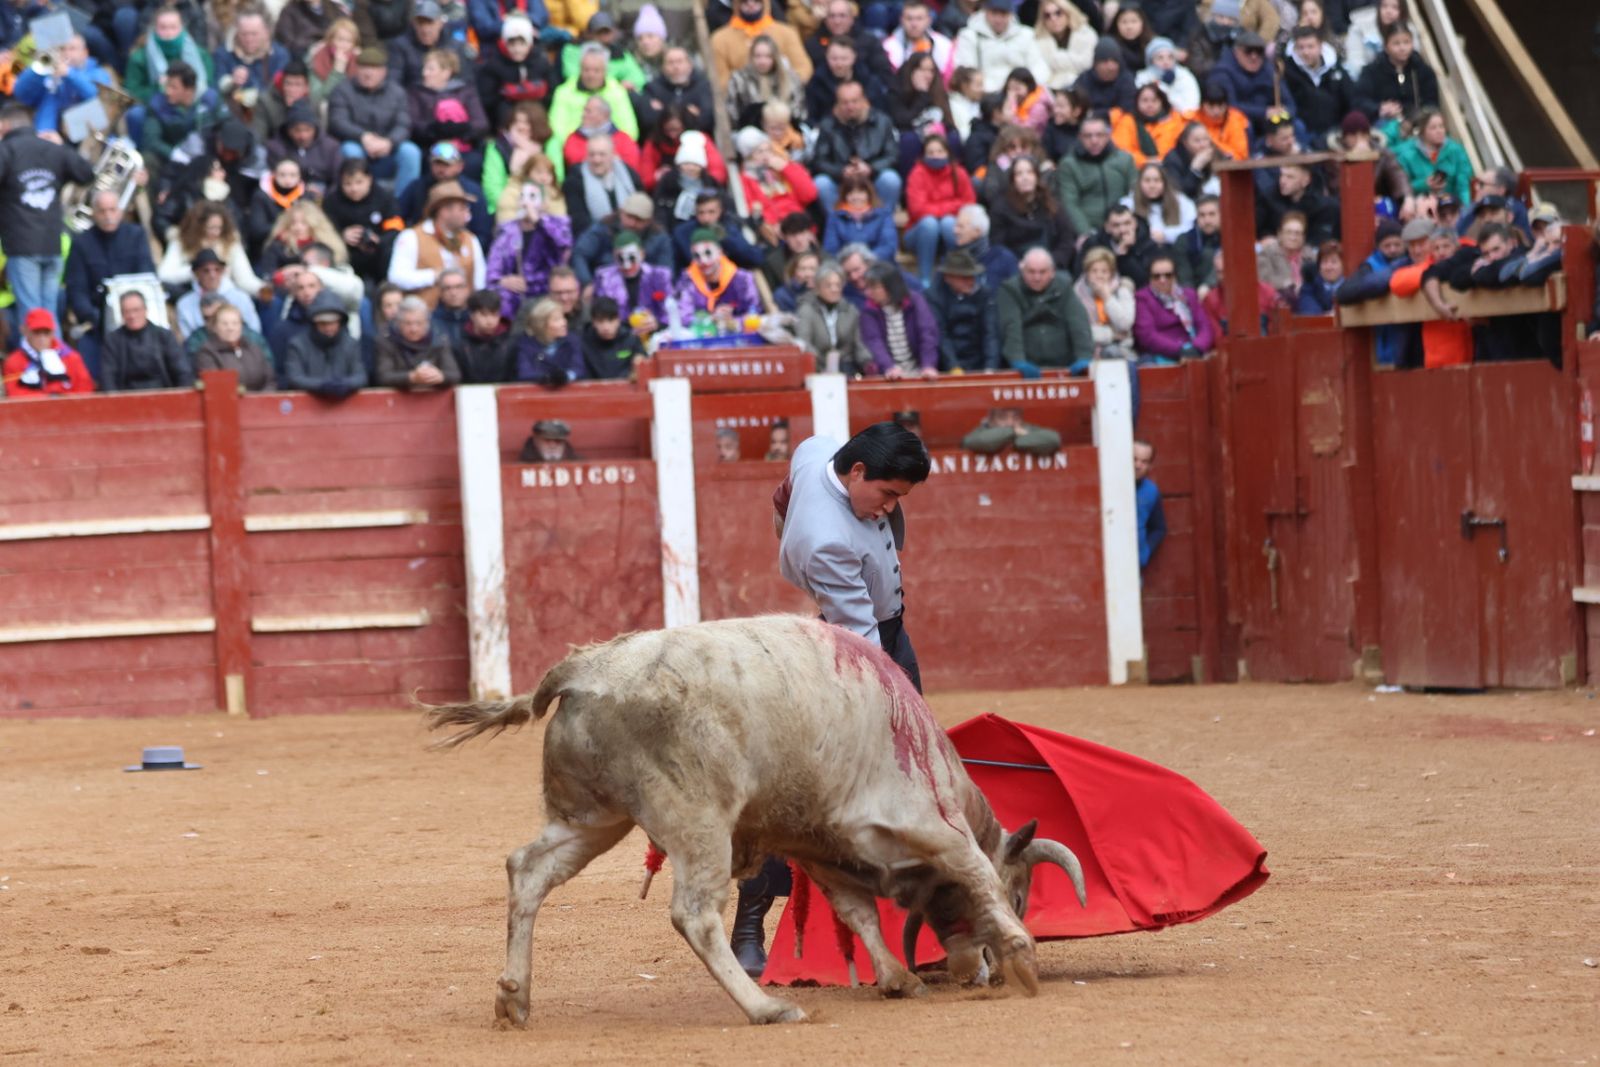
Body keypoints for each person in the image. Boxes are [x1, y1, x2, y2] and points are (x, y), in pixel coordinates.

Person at [748, 421, 932, 976]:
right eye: (887, 494)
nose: (890, 508)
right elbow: (862, 641)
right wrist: (890, 712)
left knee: (907, 771)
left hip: (881, 631)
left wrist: (782, 509)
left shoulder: (820, 454)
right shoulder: (826, 539)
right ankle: (749, 922)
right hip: (851, 652)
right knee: (813, 786)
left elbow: (803, 459)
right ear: (856, 472)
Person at [0, 104, 92, 317]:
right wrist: (63, 147)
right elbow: (87, 174)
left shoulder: (6, 150)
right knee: (48, 318)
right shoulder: (53, 149)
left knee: (32, 318)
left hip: (22, 247)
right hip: (52, 244)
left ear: (4, 125)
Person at [63, 190, 158, 382]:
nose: (108, 216)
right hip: (97, 322)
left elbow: (147, 277)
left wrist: (132, 313)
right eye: (102, 211)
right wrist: (94, 317)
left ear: (120, 211)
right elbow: (76, 289)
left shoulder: (136, 235)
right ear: (94, 213)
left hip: (136, 317)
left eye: (112, 210)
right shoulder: (81, 243)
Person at [328, 47, 422, 197]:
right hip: (357, 143)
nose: (368, 73)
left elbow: (404, 124)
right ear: (357, 69)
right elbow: (338, 122)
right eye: (364, 68)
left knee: (411, 152)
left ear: (384, 71)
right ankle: (357, 197)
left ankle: (403, 202)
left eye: (374, 69)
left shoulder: (397, 92)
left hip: (388, 146)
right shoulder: (342, 90)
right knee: (350, 150)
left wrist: (390, 141)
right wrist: (363, 137)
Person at [389, 180, 489, 308]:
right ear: (444, 211)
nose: (468, 214)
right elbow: (396, 278)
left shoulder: (471, 239)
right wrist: (435, 275)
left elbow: (480, 284)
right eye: (462, 208)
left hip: (464, 315)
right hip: (424, 316)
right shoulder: (411, 237)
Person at [485, 182, 574, 320]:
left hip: (546, 291)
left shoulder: (557, 225)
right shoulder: (506, 232)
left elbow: (563, 243)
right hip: (515, 295)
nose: (526, 203)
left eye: (532, 197)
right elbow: (493, 270)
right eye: (522, 196)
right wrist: (502, 281)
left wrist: (539, 221)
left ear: (544, 203)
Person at [811, 81, 902, 214]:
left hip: (872, 177)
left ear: (864, 101)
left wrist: (870, 168)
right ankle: (837, 221)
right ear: (837, 104)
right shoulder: (827, 125)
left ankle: (882, 220)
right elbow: (819, 160)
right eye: (845, 102)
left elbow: (892, 155)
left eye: (854, 101)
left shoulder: (882, 121)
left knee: (891, 179)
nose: (850, 107)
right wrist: (841, 171)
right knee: (821, 183)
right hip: (841, 181)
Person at [997, 248, 1094, 373]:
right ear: (1022, 271)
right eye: (1031, 272)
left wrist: (1084, 357)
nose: (1037, 277)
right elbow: (1011, 327)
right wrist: (1018, 361)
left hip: (1065, 367)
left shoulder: (1064, 287)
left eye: (1042, 272)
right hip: (1025, 368)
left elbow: (1078, 324)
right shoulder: (1010, 290)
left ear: (1052, 272)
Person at [12, 34, 113, 141]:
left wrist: (69, 74)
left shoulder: (98, 73)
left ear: (85, 53)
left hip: (84, 139)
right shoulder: (48, 75)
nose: (66, 53)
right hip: (47, 137)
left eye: (72, 49)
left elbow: (97, 97)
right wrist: (37, 72)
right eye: (62, 49)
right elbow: (21, 94)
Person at [1056, 115, 1136, 236]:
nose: (1094, 141)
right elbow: (1070, 204)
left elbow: (1134, 194)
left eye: (1099, 135)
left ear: (1108, 136)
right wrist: (1086, 233)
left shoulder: (1125, 159)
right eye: (1088, 136)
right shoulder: (1069, 165)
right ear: (1080, 137)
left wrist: (1127, 226)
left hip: (1123, 226)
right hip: (1089, 229)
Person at [923, 248, 999, 371]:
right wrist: (953, 366)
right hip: (946, 365)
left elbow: (990, 333)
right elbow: (941, 334)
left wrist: (990, 367)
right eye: (964, 278)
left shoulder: (984, 294)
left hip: (979, 362)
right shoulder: (933, 297)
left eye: (972, 276)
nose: (970, 282)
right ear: (948, 278)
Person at [859, 263, 939, 379]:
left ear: (891, 286)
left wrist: (928, 364)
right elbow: (874, 341)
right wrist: (889, 367)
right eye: (867, 287)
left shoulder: (915, 301)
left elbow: (927, 333)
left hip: (921, 370)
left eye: (874, 288)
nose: (868, 292)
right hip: (889, 374)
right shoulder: (868, 311)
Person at [100, 291, 191, 392]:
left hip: (163, 393)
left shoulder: (164, 336)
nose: (132, 316)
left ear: (145, 310)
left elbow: (182, 371)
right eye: (127, 311)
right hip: (126, 395)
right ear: (122, 314)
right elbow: (108, 376)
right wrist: (113, 398)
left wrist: (181, 397)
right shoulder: (113, 340)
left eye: (136, 310)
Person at [281, 291, 368, 397]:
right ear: (314, 323)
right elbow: (294, 377)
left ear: (340, 322)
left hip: (346, 403)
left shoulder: (351, 344)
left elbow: (360, 376)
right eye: (322, 323)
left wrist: (345, 384)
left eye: (333, 322)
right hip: (307, 405)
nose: (328, 327)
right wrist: (321, 386)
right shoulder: (297, 345)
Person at [1133, 250, 1216, 360]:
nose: (1162, 280)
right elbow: (1147, 336)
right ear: (1149, 278)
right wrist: (1180, 350)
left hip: (1195, 352)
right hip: (1161, 355)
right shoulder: (1143, 298)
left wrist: (1197, 348)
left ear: (1175, 275)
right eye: (1156, 276)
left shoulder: (1189, 295)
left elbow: (1204, 326)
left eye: (1168, 275)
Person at [1353, 20, 1437, 124]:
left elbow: (1431, 103)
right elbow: (1359, 101)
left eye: (1406, 42)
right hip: (1383, 123)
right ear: (1386, 46)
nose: (1402, 48)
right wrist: (1380, 108)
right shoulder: (1371, 71)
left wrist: (1416, 118)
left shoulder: (1422, 70)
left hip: (1417, 122)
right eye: (1396, 43)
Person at [954, 0, 1049, 93]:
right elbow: (966, 73)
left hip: (1022, 94)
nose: (998, 19)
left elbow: (1040, 68)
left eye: (1003, 14)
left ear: (1011, 14)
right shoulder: (969, 36)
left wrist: (1026, 87)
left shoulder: (1025, 35)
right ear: (985, 11)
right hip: (984, 95)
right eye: (994, 13)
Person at [795, 261, 872, 374]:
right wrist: (820, 364)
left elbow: (859, 343)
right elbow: (804, 342)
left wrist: (867, 363)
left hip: (846, 366)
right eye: (828, 285)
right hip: (817, 367)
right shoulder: (806, 310)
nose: (834, 289)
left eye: (838, 285)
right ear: (817, 288)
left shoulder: (850, 310)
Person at [673, 227, 763, 323]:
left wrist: (731, 321)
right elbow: (683, 316)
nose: (703, 261)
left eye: (708, 253)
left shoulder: (742, 279)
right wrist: (711, 318)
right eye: (697, 256)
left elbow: (754, 313)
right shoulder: (687, 280)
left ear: (720, 252)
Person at [3, 308, 95, 397]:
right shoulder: (13, 362)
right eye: (36, 332)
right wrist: (49, 399)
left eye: (46, 333)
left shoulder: (71, 358)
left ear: (53, 333)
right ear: (26, 331)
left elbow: (85, 388)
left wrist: (61, 400)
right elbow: (15, 393)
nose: (42, 338)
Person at [377, 296, 463, 390]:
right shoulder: (387, 340)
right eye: (408, 323)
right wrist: (411, 377)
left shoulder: (440, 338)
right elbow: (383, 376)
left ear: (427, 323)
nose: (414, 329)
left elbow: (454, 374)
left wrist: (441, 376)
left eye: (419, 323)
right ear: (399, 323)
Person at [1282, 25, 1351, 141]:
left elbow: (1350, 101)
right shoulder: (1288, 72)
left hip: (1335, 131)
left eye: (1310, 46)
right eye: (1301, 47)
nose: (1305, 52)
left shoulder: (1337, 70)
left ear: (1320, 46)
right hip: (1302, 133)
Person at [1393, 108, 1470, 207]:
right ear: (1422, 131)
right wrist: (1424, 185)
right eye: (1433, 128)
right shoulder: (1407, 155)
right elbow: (1401, 187)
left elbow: (1463, 185)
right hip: (1421, 206)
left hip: (1451, 206)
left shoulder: (1456, 150)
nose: (1439, 131)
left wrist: (1465, 209)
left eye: (1441, 126)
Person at [176, 248, 262, 337]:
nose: (212, 275)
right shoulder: (184, 304)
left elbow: (254, 331)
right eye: (206, 270)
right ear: (196, 273)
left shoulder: (241, 298)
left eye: (217, 269)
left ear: (223, 271)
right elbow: (187, 337)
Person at [1074, 245, 1137, 360]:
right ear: (1087, 273)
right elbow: (1081, 331)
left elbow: (1124, 324)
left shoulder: (1123, 289)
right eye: (1094, 271)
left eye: (1104, 271)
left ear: (1111, 274)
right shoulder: (1077, 293)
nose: (1099, 276)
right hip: (1088, 349)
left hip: (1121, 349)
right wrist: (1112, 334)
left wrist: (1107, 297)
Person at [195, 303, 276, 391]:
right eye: (224, 324)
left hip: (261, 398)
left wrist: (261, 398)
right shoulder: (207, 353)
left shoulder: (254, 349)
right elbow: (216, 386)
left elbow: (270, 381)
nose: (230, 328)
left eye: (235, 323)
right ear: (215, 327)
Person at [1111, 82, 1187, 168]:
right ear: (1137, 102)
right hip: (1133, 168)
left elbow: (1168, 153)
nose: (1150, 105)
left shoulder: (1172, 122)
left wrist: (1156, 162)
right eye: (1144, 100)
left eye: (1154, 100)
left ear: (1162, 102)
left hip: (1165, 168)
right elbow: (1122, 151)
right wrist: (1145, 161)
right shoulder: (1128, 121)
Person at [643, 46, 716, 136]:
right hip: (663, 139)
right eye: (670, 62)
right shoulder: (653, 88)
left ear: (689, 65)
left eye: (680, 61)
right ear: (663, 67)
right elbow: (649, 120)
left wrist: (666, 112)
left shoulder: (702, 86)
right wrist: (689, 113)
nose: (675, 66)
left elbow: (707, 119)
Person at [515, 296, 585, 385]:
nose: (564, 323)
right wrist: (547, 378)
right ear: (542, 324)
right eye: (557, 320)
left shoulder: (572, 341)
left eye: (563, 318)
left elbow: (579, 369)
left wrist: (566, 376)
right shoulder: (526, 345)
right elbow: (524, 373)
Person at [884, 0, 956, 81]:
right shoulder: (887, 47)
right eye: (909, 18)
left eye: (919, 18)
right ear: (901, 20)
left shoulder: (944, 45)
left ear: (929, 20)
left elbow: (947, 80)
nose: (914, 24)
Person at [953, 204, 1018, 292]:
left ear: (977, 231)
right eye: (955, 226)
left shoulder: (1003, 259)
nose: (955, 231)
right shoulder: (951, 259)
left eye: (961, 227)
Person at [578, 296, 645, 379]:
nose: (606, 327)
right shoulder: (582, 342)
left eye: (611, 320)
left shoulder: (631, 340)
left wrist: (639, 365)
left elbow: (643, 361)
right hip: (593, 386)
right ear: (593, 322)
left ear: (618, 320)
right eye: (600, 321)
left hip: (625, 386)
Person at [1035, 0, 1097, 89]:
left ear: (1068, 12)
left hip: (1084, 88)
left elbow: (1086, 64)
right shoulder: (1038, 41)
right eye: (1047, 16)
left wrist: (1056, 59)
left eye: (1058, 13)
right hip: (1051, 89)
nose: (1053, 19)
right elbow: (1041, 73)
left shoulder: (1086, 34)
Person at [458, 288, 515, 383]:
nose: (490, 321)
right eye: (484, 315)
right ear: (472, 315)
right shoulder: (460, 342)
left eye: (494, 315)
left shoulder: (511, 342)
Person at [962, 405, 1061, 456]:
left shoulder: (1024, 428)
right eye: (1002, 417)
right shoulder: (983, 430)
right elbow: (979, 442)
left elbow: (1053, 440)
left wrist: (1017, 442)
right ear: (991, 420)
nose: (1010, 422)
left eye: (1015, 417)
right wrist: (1012, 432)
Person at [1137, 36, 1200, 114]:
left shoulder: (1184, 76)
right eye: (1160, 58)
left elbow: (1191, 106)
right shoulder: (1143, 78)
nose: (1166, 62)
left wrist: (1165, 89)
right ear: (1151, 61)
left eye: (1170, 57)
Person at [1134, 439, 1166, 570]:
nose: (1138, 465)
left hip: (1135, 567)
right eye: (1134, 459)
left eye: (1144, 461)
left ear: (1150, 466)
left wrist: (1144, 553)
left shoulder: (1151, 491)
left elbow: (1159, 528)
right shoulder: (1108, 485)